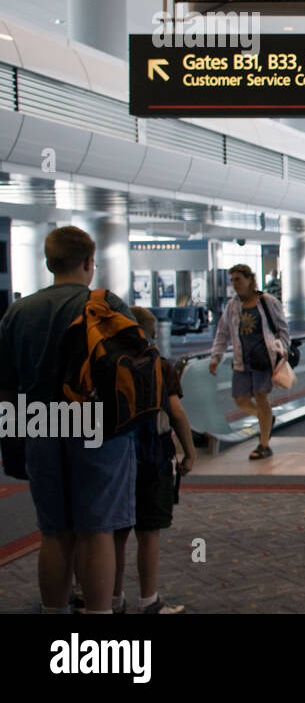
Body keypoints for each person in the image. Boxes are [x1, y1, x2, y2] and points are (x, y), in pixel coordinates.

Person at [0, 226, 137, 614]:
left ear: (48, 262)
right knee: (97, 531)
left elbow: (6, 387)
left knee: (54, 533)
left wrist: (12, 444)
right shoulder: (106, 304)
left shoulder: (18, 312)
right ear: (89, 262)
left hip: (41, 424)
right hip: (97, 425)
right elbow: (137, 374)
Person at [112, 307, 197, 614]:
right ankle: (148, 600)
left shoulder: (109, 365)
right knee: (148, 534)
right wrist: (189, 450)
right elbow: (176, 414)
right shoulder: (160, 366)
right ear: (151, 333)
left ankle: (113, 598)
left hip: (116, 458)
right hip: (153, 458)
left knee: (116, 534)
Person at [210, 264, 289, 460]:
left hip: (263, 359)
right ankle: (266, 418)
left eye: (238, 279)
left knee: (261, 397)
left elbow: (282, 328)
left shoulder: (267, 302)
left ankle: (264, 444)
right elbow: (222, 333)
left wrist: (282, 351)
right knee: (240, 399)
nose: (235, 284)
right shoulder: (232, 306)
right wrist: (216, 356)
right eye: (233, 280)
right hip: (241, 361)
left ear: (249, 280)